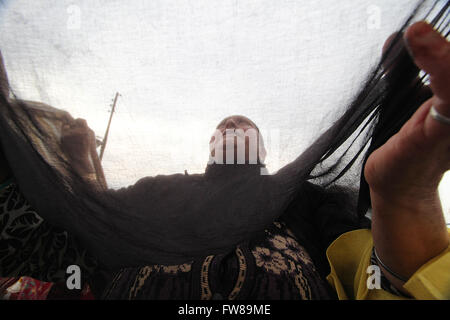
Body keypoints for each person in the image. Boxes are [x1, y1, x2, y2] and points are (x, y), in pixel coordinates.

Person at [0, 21, 449, 299]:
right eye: (225, 125)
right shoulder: (158, 190)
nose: (233, 125)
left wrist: (403, 202)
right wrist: (75, 168)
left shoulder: (305, 202)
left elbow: (375, 282)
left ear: (263, 151)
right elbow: (73, 242)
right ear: (211, 147)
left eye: (244, 124)